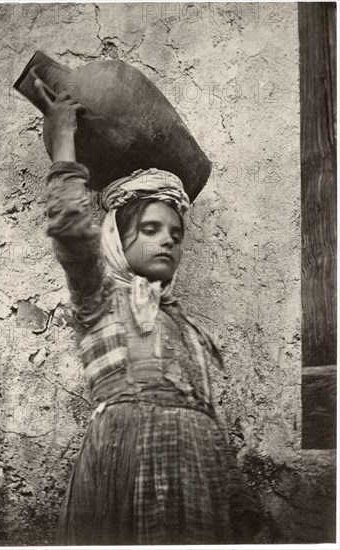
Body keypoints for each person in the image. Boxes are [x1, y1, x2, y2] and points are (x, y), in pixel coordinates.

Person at [39, 86, 260, 545]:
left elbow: (211, 420)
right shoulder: (98, 300)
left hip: (196, 474)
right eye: (151, 229)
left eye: (177, 233)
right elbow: (71, 229)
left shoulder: (186, 327)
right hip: (124, 461)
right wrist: (65, 143)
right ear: (117, 238)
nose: (168, 241)